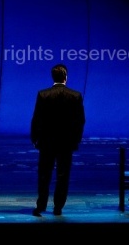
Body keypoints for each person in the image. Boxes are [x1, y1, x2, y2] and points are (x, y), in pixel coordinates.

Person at [30, 64, 86, 217]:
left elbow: (37, 119)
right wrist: (76, 140)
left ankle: (41, 206)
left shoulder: (43, 94)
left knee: (44, 175)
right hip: (66, 143)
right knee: (63, 175)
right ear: (65, 77)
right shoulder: (75, 96)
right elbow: (80, 121)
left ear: (53, 77)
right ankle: (58, 207)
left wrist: (35, 138)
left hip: (47, 142)